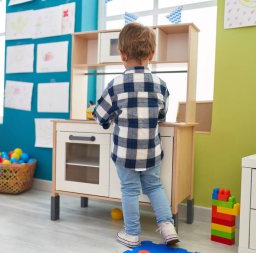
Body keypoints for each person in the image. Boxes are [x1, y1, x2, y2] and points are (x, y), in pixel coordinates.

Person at [93, 22, 179, 248]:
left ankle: (132, 234)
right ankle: (168, 226)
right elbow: (161, 116)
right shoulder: (161, 86)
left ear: (122, 55)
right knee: (154, 186)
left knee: (130, 190)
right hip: (151, 151)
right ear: (152, 54)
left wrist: (111, 118)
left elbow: (99, 116)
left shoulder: (115, 85)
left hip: (125, 153)